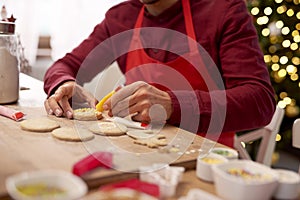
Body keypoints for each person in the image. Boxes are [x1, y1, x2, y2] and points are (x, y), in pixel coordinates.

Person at [44, 0, 276, 148]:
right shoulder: (121, 18)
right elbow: (67, 65)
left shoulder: (223, 11)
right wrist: (63, 83)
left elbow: (261, 100)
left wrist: (173, 105)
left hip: (203, 158)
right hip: (134, 150)